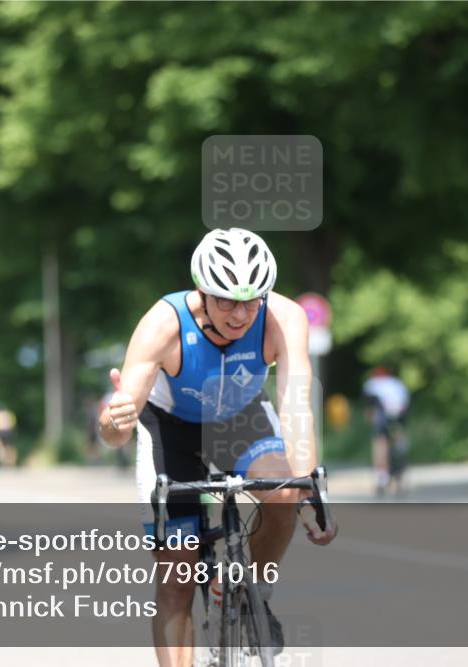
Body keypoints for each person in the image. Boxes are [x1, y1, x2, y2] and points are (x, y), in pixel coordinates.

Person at [98, 227, 338, 667]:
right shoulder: (163, 324)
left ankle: (256, 595)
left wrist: (309, 496)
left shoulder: (284, 318)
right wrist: (114, 422)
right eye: (226, 299)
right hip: (170, 427)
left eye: (251, 300)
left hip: (240, 417)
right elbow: (115, 426)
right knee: (177, 573)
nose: (240, 314)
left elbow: (296, 405)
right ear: (201, 292)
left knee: (284, 491)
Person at [362, 367, 411, 496]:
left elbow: (369, 406)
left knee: (380, 444)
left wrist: (370, 418)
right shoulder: (397, 383)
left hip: (382, 417)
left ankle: (381, 477)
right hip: (399, 417)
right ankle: (399, 470)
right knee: (399, 439)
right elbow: (406, 403)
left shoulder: (372, 384)